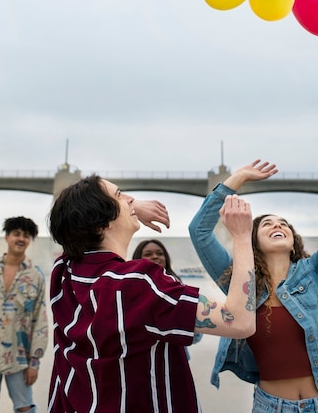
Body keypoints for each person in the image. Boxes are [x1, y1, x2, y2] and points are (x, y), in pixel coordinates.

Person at [189, 111, 318, 413]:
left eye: (284, 223)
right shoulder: (239, 280)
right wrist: (235, 179)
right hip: (270, 406)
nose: (277, 225)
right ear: (252, 239)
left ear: (294, 240)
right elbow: (199, 231)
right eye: (267, 223)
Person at [47, 175, 256, 412]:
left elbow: (73, 221)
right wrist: (242, 236)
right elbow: (240, 321)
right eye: (120, 195)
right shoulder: (136, 283)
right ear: (100, 222)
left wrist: (125, 209)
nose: (131, 199)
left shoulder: (63, 273)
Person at [0, 216, 48, 413]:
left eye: (26, 235)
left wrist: (34, 363)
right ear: (7, 237)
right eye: (16, 234)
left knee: (25, 408)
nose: (21, 239)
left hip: (19, 357)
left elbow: (40, 321)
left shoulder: (35, 276)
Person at [132, 239, 204, 354]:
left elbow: (195, 335)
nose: (155, 257)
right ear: (137, 259)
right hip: (143, 356)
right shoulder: (131, 290)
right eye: (148, 254)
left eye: (160, 253)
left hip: (174, 355)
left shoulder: (178, 287)